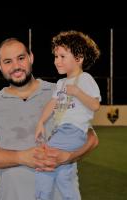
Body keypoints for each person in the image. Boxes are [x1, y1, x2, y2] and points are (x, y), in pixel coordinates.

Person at [0, 37, 99, 200]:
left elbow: (91, 138)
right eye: (7, 62)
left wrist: (68, 157)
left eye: (21, 58)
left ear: (31, 57)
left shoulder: (60, 91)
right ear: (0, 66)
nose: (16, 66)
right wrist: (22, 157)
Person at [34, 30, 101, 200]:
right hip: (61, 130)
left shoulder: (85, 79)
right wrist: (41, 122)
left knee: (44, 161)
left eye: (62, 56)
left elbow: (95, 105)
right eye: (56, 57)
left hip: (74, 131)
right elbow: (53, 103)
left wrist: (78, 92)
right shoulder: (61, 82)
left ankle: (42, 197)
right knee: (64, 176)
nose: (57, 61)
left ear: (78, 58)